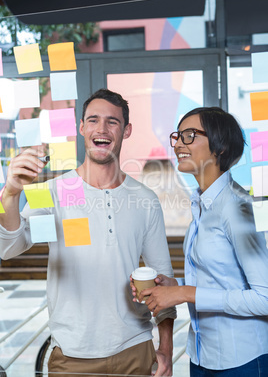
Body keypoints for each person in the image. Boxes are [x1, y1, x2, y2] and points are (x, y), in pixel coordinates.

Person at [0, 88, 176, 377]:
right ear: (82, 128)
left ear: (126, 130)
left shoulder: (144, 198)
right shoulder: (54, 191)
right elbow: (9, 247)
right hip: (72, 357)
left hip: (136, 350)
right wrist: (10, 194)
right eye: (93, 120)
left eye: (112, 121)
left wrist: (166, 349)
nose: (102, 128)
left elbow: (164, 279)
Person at [132, 107, 268, 376]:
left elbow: (264, 298)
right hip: (202, 355)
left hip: (242, 361)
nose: (179, 144)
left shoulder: (239, 209)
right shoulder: (202, 204)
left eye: (190, 135)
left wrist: (184, 293)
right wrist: (174, 286)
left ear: (220, 146)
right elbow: (221, 279)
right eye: (178, 136)